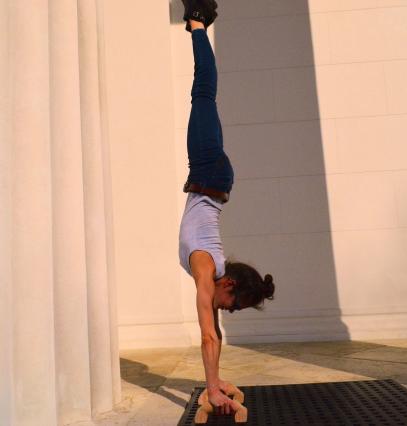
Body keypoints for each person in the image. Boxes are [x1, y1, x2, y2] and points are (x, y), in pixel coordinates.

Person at [178, 0, 276, 417]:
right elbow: (207, 337)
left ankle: (200, 21)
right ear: (229, 285)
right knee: (204, 91)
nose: (223, 310)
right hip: (208, 171)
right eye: (231, 305)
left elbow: (212, 332)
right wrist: (211, 384)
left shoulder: (213, 272)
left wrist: (215, 384)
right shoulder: (204, 266)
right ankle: (199, 20)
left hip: (214, 178)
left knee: (206, 93)